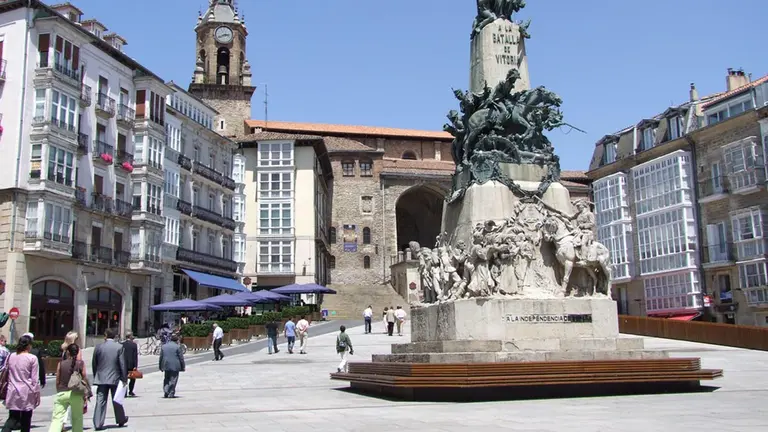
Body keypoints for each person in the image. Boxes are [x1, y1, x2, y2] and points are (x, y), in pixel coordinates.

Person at [1, 335, 41, 432]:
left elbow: (5, 371)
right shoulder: (32, 358)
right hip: (27, 391)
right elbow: (35, 379)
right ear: (29, 345)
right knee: (26, 420)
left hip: (12, 390)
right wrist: (37, 394)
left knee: (12, 418)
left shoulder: (11, 356)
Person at [91, 328, 128, 431]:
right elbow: (122, 364)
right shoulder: (119, 347)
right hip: (115, 377)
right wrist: (124, 378)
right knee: (117, 399)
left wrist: (96, 375)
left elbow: (94, 363)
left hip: (101, 378)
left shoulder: (98, 347)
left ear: (105, 336)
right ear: (115, 336)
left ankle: (98, 422)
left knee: (100, 400)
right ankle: (120, 419)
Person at [48, 344, 89, 432]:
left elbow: (57, 380)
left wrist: (59, 391)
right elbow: (84, 379)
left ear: (68, 352)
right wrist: (85, 395)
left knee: (57, 419)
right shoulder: (81, 364)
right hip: (76, 393)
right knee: (77, 418)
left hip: (62, 393)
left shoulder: (61, 363)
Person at [59, 331, 86, 432]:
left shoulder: (64, 349)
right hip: (74, 377)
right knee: (74, 400)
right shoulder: (76, 349)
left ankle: (62, 422)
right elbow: (79, 363)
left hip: (64, 376)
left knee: (64, 402)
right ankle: (74, 423)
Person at [159, 334, 185, 398]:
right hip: (175, 365)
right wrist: (183, 366)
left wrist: (160, 366)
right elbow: (181, 358)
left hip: (166, 364)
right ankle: (171, 392)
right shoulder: (177, 347)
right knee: (173, 379)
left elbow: (161, 357)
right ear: (177, 340)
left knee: (166, 378)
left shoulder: (164, 346)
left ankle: (166, 390)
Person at [122, 331, 139, 397]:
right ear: (130, 336)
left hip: (123, 364)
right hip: (131, 364)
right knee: (133, 378)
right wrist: (135, 365)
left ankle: (124, 392)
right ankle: (131, 391)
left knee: (124, 378)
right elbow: (135, 356)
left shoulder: (122, 344)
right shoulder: (134, 345)